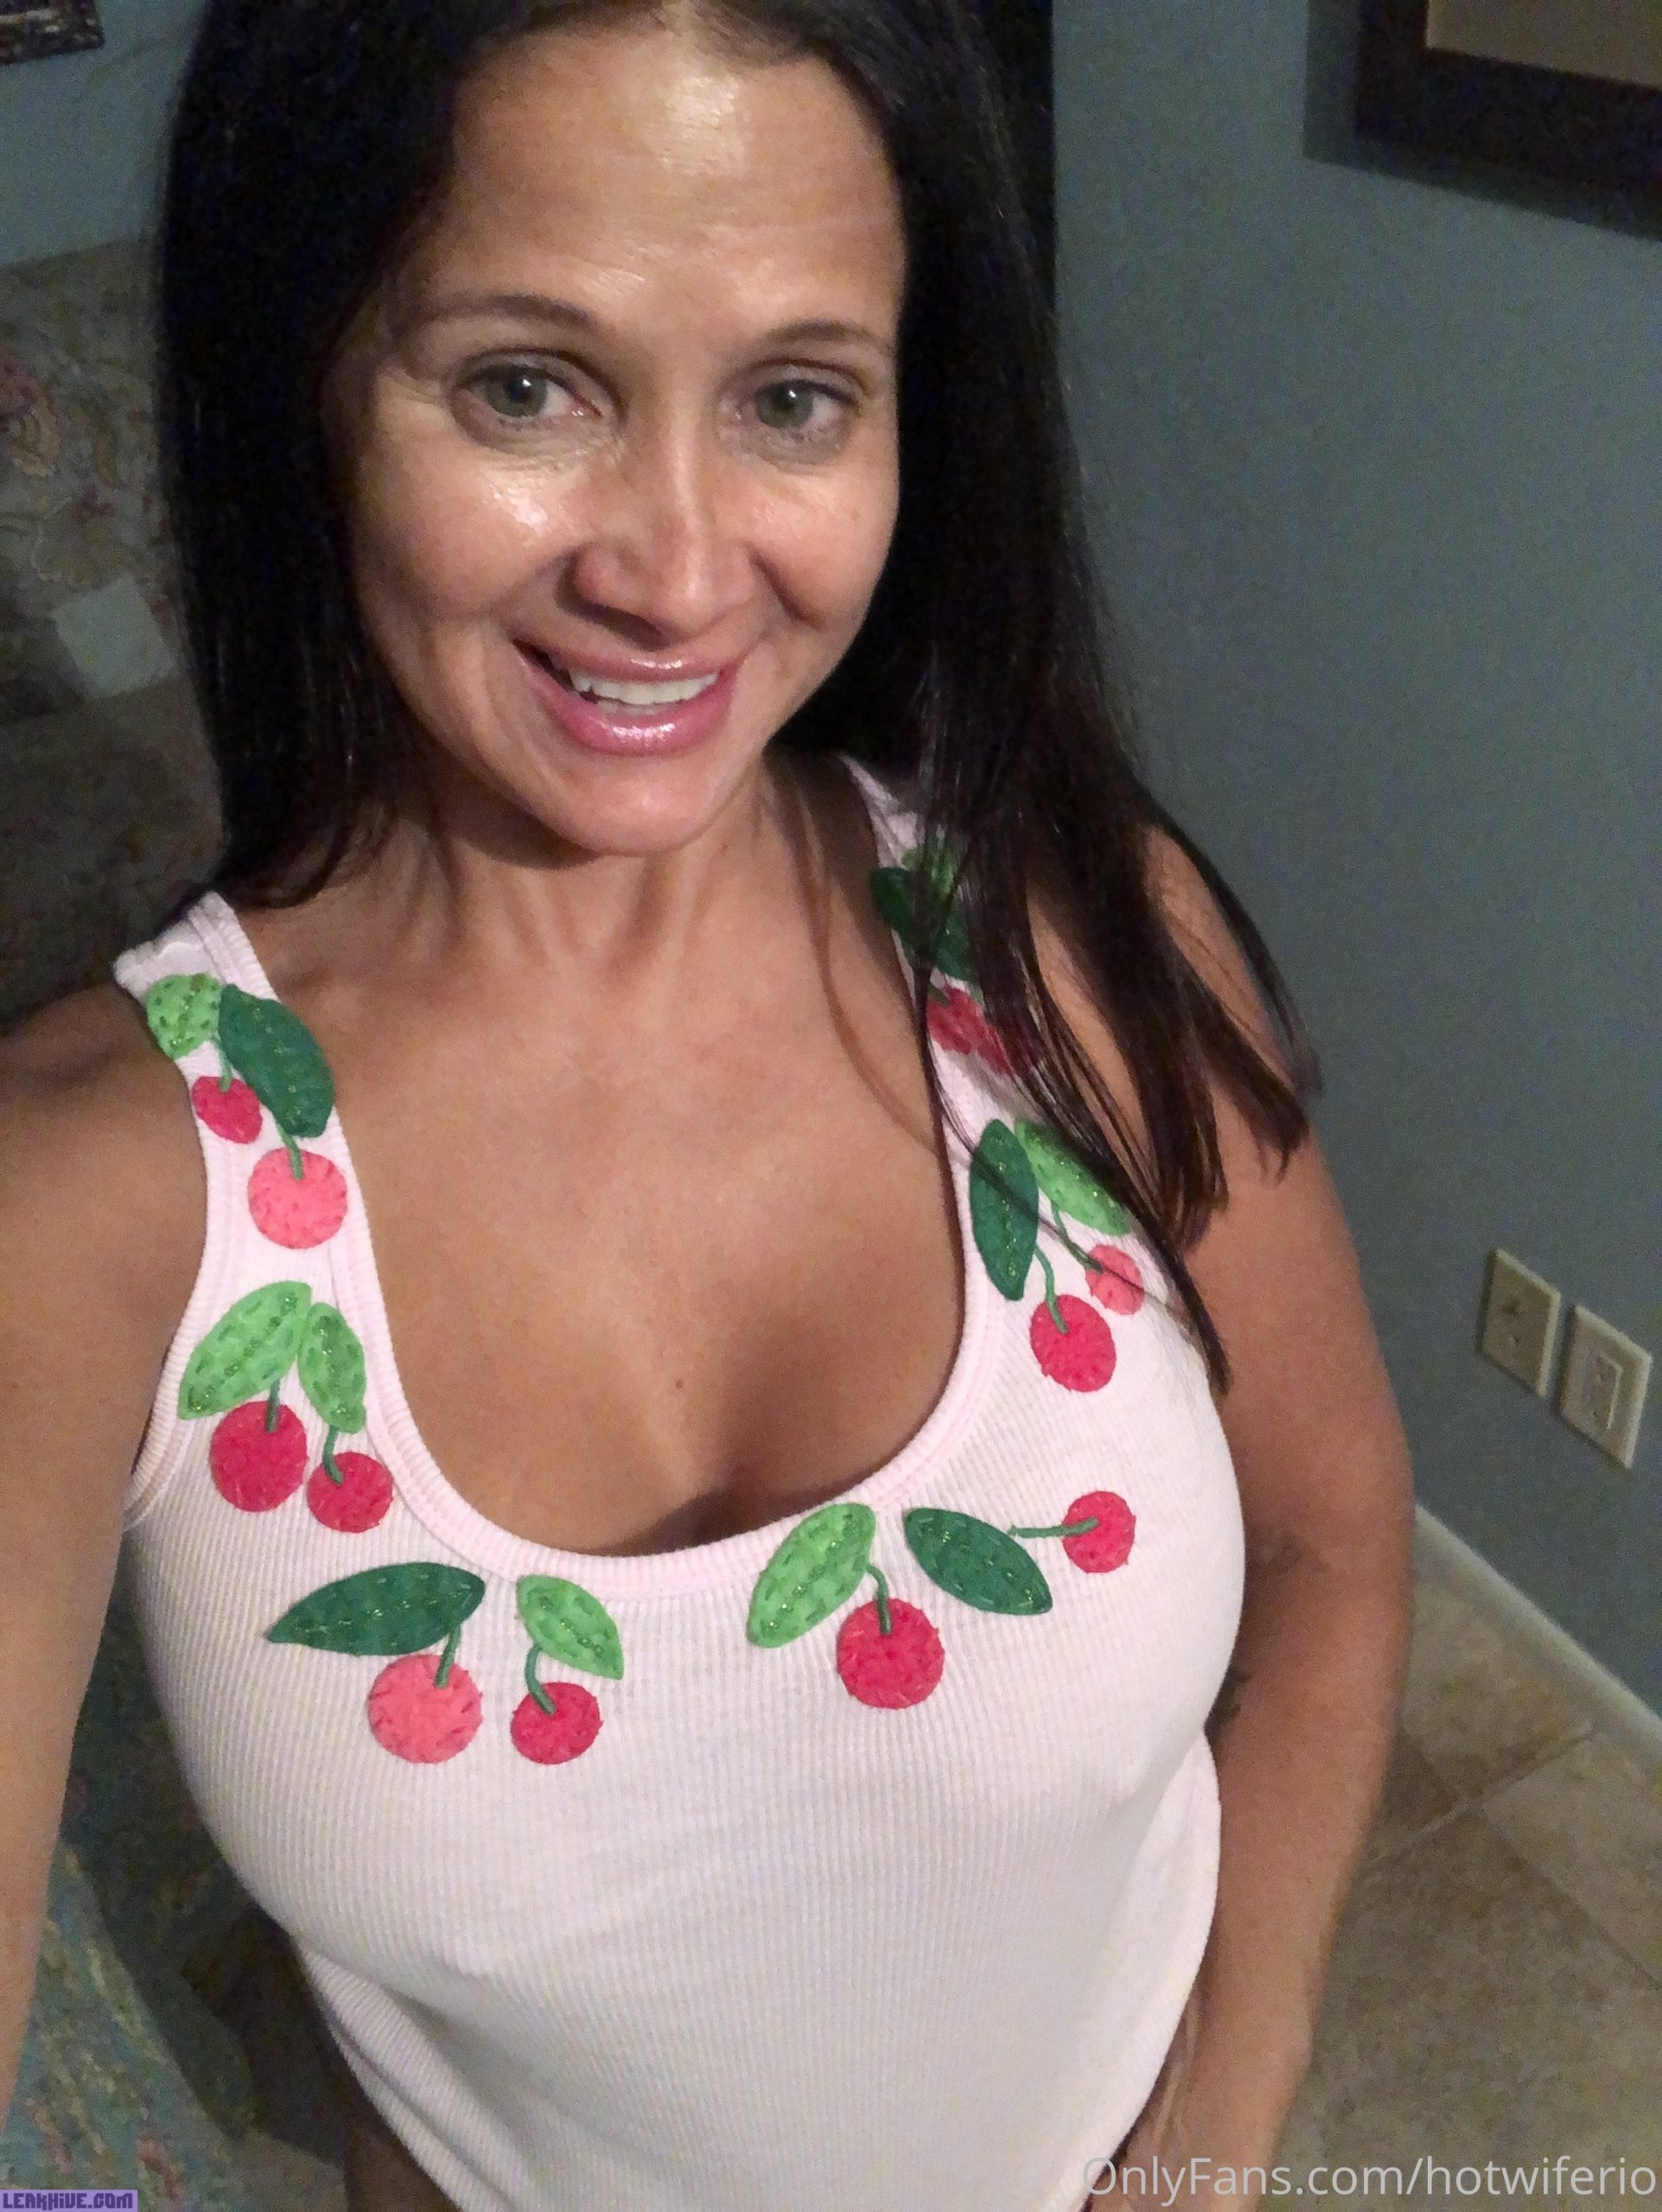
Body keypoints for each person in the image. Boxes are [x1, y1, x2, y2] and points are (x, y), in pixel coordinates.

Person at [0, 3, 1417, 2208]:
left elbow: (1331, 1546)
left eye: (790, 398)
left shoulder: (1071, 940)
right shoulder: (90, 1193)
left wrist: (1216, 2128)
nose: (671, 571)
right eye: (524, 385)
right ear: (307, 377)